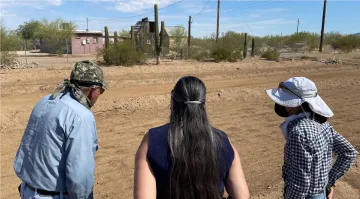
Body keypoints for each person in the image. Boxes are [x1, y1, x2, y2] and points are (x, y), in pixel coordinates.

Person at [134, 76, 250, 199]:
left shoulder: (152, 140)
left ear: (172, 101)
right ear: (204, 103)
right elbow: (242, 195)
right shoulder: (223, 140)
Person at [13, 60, 108, 199]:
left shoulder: (45, 101)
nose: (100, 95)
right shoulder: (81, 117)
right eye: (101, 90)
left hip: (28, 190)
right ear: (93, 90)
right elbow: (80, 176)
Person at [266, 77, 358, 199]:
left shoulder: (298, 132)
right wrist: (329, 182)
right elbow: (349, 152)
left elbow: (300, 183)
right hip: (320, 193)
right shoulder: (322, 123)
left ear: (296, 104)